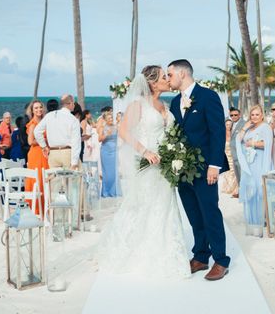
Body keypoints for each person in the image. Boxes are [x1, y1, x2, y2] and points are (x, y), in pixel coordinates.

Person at [99, 65, 191, 279]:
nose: (168, 80)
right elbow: (123, 130)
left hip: (165, 165)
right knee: (144, 207)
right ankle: (136, 254)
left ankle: (165, 252)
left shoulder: (165, 105)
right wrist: (144, 151)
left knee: (165, 208)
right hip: (148, 164)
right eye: (163, 77)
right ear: (152, 83)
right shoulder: (138, 104)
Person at [167, 59, 230, 281]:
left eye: (170, 75)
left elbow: (217, 132)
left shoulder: (208, 97)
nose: (168, 79)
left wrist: (214, 165)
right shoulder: (175, 103)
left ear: (183, 74)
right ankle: (201, 256)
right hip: (183, 170)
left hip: (205, 169)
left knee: (210, 212)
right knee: (193, 214)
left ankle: (221, 260)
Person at [236, 105, 273, 237]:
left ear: (262, 115)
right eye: (252, 115)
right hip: (250, 165)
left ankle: (260, 224)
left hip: (260, 163)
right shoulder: (250, 128)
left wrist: (253, 144)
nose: (255, 117)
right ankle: (251, 224)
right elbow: (238, 139)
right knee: (250, 193)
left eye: (257, 114)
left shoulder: (266, 128)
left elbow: (268, 144)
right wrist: (245, 127)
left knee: (259, 192)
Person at [34, 94, 82, 169]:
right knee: (74, 179)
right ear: (70, 103)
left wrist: (44, 146)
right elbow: (76, 142)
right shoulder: (73, 119)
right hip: (67, 153)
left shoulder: (49, 115)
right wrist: (74, 162)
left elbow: (37, 131)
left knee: (55, 180)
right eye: (74, 103)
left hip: (53, 153)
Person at [25, 100, 47, 214]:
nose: (39, 110)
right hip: (36, 154)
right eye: (36, 108)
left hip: (44, 153)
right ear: (32, 110)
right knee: (37, 179)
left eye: (40, 107)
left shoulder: (44, 122)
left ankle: (44, 207)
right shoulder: (33, 124)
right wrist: (44, 141)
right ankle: (37, 208)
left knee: (45, 179)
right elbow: (30, 142)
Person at [98, 111, 120, 197]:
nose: (111, 119)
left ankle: (114, 191)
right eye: (109, 118)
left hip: (114, 151)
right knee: (107, 173)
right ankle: (106, 192)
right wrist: (107, 134)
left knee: (114, 172)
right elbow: (99, 139)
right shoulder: (102, 128)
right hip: (105, 152)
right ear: (105, 120)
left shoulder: (116, 127)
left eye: (111, 118)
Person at [228, 107, 245, 195]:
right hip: (233, 154)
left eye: (235, 115)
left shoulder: (244, 124)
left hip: (241, 154)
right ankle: (240, 191)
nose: (233, 117)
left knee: (242, 175)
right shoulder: (231, 124)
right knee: (238, 175)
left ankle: (244, 192)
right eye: (231, 115)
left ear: (240, 115)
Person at [220, 118, 238, 195]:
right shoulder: (222, 135)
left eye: (230, 124)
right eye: (227, 124)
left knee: (234, 172)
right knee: (227, 172)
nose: (228, 126)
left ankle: (235, 189)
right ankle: (228, 188)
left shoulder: (234, 134)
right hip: (226, 155)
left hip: (233, 155)